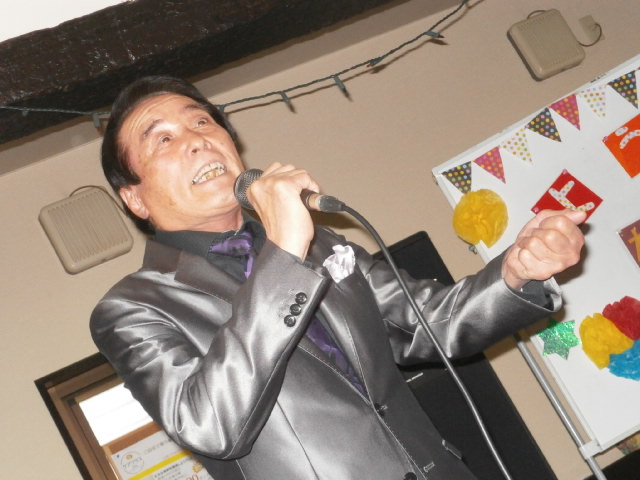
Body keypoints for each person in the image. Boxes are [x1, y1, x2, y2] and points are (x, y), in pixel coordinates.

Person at [91, 75, 585, 480]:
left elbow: (429, 322)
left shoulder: (321, 245)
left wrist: (517, 271)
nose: (197, 140)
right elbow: (209, 425)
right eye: (163, 139)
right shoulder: (133, 309)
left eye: (202, 121)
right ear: (134, 198)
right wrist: (284, 250)